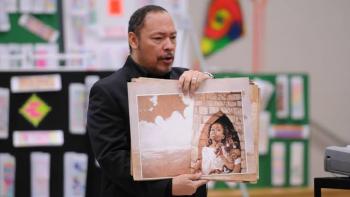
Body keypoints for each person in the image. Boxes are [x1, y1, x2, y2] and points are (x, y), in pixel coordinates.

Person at [87, 5, 212, 197]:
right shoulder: (107, 91)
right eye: (158, 38)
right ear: (133, 40)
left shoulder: (186, 79)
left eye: (173, 37)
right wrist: (167, 188)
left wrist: (208, 85)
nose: (169, 45)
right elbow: (113, 160)